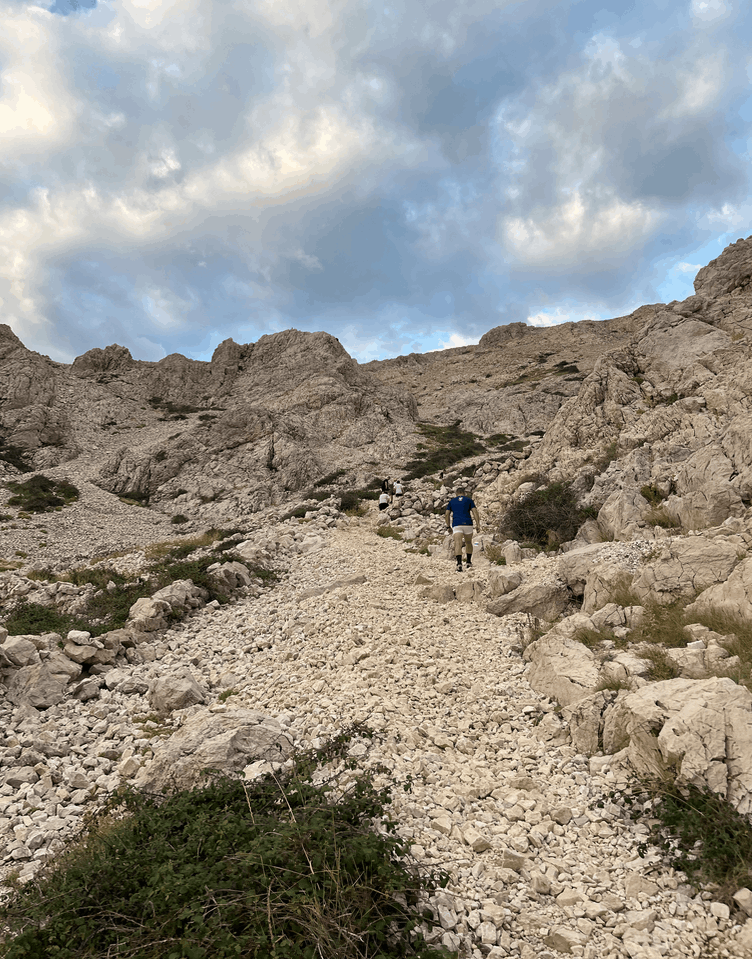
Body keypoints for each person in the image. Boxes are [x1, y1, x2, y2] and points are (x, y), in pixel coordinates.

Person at [445, 485, 480, 571]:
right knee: (468, 543)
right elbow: (475, 512)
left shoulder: (452, 502)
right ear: (464, 493)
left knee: (458, 544)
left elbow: (447, 514)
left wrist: (448, 526)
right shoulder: (469, 500)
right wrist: (478, 524)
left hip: (457, 524)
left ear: (456, 494)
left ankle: (459, 564)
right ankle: (468, 562)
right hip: (468, 524)